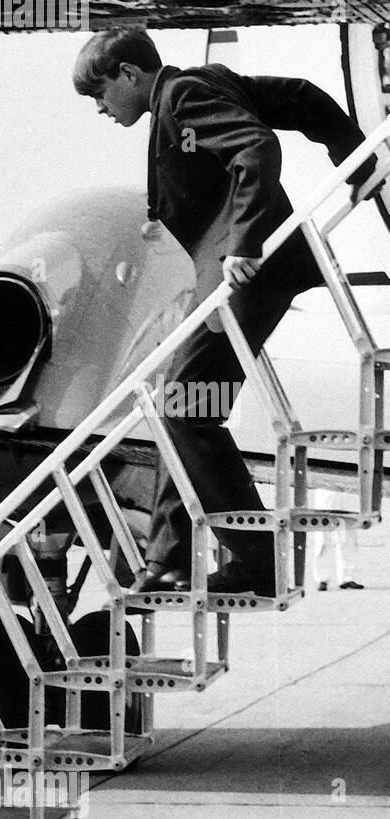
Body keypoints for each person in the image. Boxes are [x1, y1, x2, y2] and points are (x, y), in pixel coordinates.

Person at [74, 29, 377, 597]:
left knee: (185, 408)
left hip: (251, 276)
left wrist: (244, 241)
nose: (100, 109)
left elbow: (257, 148)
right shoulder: (206, 83)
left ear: (128, 75)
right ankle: (170, 558)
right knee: (180, 405)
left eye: (100, 93)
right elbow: (302, 96)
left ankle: (260, 561)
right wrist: (356, 157)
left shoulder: (183, 97)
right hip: (241, 276)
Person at [309, 486, 363, 591]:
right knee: (323, 540)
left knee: (348, 538)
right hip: (327, 496)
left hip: (348, 496)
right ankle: (322, 579)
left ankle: (347, 578)